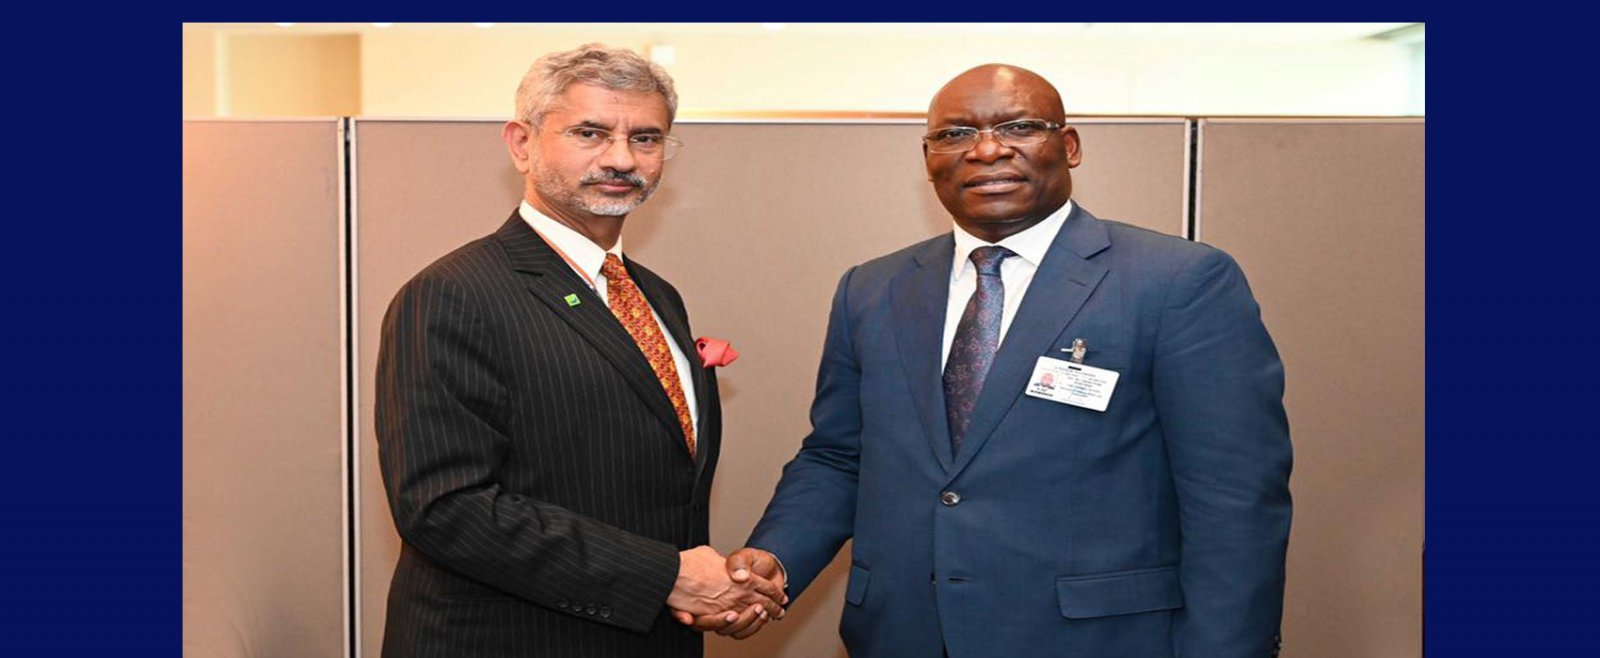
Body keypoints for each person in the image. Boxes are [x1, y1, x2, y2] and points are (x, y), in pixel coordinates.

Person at [722, 64, 1293, 657]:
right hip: (904, 635)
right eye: (955, 134)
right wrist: (776, 559)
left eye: (1019, 126)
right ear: (927, 158)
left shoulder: (1176, 281)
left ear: (1068, 147)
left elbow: (1234, 502)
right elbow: (841, 455)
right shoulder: (874, 289)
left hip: (1096, 639)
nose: (987, 150)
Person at [374, 43, 783, 658]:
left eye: (646, 138)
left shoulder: (656, 297)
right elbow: (445, 508)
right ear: (521, 144)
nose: (621, 158)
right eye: (590, 132)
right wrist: (666, 576)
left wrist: (722, 587)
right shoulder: (452, 294)